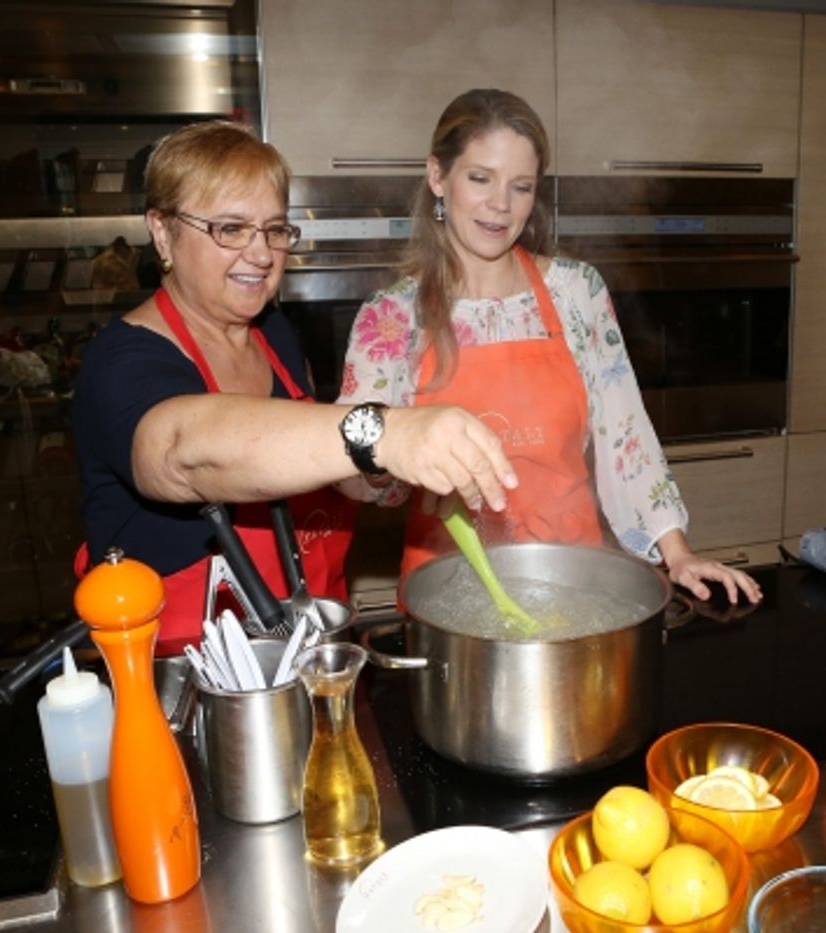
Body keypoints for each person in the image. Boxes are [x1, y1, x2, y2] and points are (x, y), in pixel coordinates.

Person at [73, 121, 518, 651]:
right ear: (163, 231)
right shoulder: (120, 362)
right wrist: (382, 432)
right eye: (230, 229)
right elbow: (183, 453)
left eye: (275, 230)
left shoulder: (274, 335)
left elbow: (303, 463)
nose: (261, 254)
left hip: (308, 646)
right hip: (187, 679)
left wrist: (386, 471)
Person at [336, 90, 761, 604]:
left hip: (575, 579)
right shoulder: (392, 318)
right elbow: (364, 481)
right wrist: (383, 460)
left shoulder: (576, 292)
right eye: (480, 178)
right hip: (451, 593)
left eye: (521, 187)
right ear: (437, 177)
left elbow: (624, 432)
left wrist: (678, 552)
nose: (500, 205)